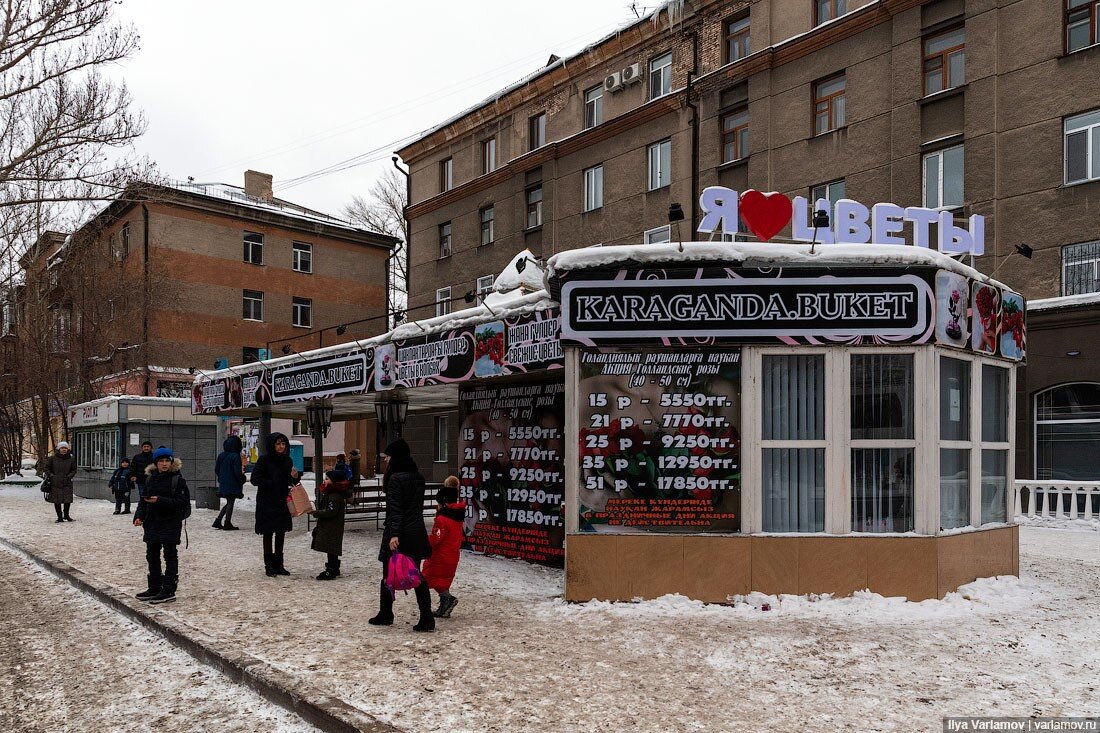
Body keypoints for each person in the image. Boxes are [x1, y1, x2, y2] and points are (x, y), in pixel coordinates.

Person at [369, 438, 434, 632]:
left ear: (395, 458)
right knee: (417, 575)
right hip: (416, 531)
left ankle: (386, 614)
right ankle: (427, 616)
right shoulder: (418, 477)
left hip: (399, 533)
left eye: (388, 457)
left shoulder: (396, 479)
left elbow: (396, 509)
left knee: (388, 574)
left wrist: (394, 534)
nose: (386, 461)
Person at [133, 446, 190, 604]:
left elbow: (182, 503)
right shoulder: (150, 478)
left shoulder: (178, 480)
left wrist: (160, 500)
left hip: (170, 523)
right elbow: (143, 501)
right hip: (152, 523)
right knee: (152, 556)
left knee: (170, 556)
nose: (164, 464)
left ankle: (168, 589)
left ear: (172, 462)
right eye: (161, 461)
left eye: (167, 461)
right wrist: (139, 517)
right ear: (155, 463)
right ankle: (154, 587)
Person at [250, 432, 298, 577]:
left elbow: (292, 481)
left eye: (283, 443)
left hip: (282, 501)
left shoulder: (287, 460)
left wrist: (295, 477)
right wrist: (272, 484)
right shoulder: (264, 460)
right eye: (278, 443)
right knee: (268, 533)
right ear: (272, 445)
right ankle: (269, 566)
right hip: (267, 501)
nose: (281, 446)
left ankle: (279, 565)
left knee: (281, 532)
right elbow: (255, 479)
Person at [421, 476, 466, 619]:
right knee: (441, 580)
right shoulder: (457, 517)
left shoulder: (442, 519)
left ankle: (447, 599)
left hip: (440, 556)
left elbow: (435, 539)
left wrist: (422, 541)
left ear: (443, 502)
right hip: (451, 554)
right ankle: (444, 605)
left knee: (427, 579)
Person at [311, 469, 350, 580]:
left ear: (335, 482)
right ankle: (334, 567)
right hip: (331, 526)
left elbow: (331, 511)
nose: (324, 480)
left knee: (331, 547)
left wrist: (316, 513)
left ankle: (332, 569)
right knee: (331, 547)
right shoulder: (333, 494)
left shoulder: (334, 496)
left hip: (331, 526)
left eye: (327, 479)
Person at [213, 435, 245, 530]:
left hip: (224, 482)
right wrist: (242, 479)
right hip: (233, 483)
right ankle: (227, 522)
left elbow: (216, 469)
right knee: (231, 502)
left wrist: (221, 477)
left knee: (229, 502)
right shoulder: (235, 456)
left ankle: (218, 521)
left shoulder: (221, 455)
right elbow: (237, 472)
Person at [44, 441, 78, 523]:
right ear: (59, 449)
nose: (64, 450)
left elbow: (74, 469)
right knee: (57, 500)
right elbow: (47, 468)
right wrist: (51, 476)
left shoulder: (71, 459)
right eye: (62, 448)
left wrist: (69, 476)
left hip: (67, 482)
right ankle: (59, 517)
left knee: (67, 500)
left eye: (65, 448)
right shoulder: (52, 458)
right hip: (55, 483)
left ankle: (66, 515)